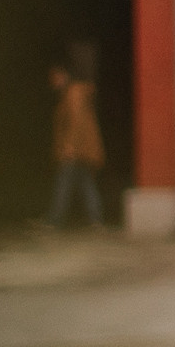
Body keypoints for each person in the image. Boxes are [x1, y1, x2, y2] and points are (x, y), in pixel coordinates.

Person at [45, 62, 105, 229]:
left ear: (64, 75)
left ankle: (54, 219)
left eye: (55, 77)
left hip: (76, 148)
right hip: (83, 148)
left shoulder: (74, 92)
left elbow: (76, 121)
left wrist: (70, 146)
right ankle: (96, 219)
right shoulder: (72, 93)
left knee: (63, 181)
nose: (53, 82)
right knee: (86, 182)